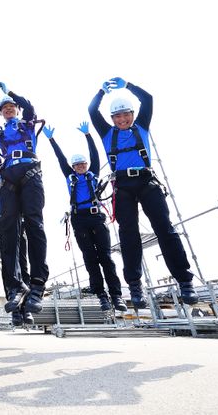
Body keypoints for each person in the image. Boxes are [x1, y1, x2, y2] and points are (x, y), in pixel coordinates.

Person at [88, 77, 198, 307]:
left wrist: (127, 85)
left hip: (147, 182)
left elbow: (147, 99)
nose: (122, 119)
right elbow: (92, 110)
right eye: (117, 116)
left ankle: (185, 281)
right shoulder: (107, 133)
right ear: (112, 119)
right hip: (123, 186)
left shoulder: (141, 126)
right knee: (129, 235)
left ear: (133, 114)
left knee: (165, 229)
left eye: (126, 114)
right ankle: (135, 286)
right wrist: (101, 92)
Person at [42, 121, 128, 312]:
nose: (81, 166)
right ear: (73, 167)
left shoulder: (93, 174)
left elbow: (95, 154)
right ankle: (101, 295)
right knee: (90, 257)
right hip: (79, 219)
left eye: (83, 164)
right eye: (77, 165)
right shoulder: (70, 176)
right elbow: (60, 158)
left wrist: (88, 135)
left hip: (96, 217)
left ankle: (116, 295)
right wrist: (51, 139)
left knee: (106, 257)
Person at [0, 83, 49, 315]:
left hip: (30, 173)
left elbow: (29, 107)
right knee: (8, 231)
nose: (8, 109)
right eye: (4, 108)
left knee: (34, 224)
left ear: (17, 109)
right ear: (1, 113)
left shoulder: (27, 124)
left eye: (11, 106)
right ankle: (14, 286)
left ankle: (37, 284)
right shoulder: (0, 134)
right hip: (9, 178)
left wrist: (9, 93)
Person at [0, 161, 33, 327]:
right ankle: (14, 308)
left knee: (23, 266)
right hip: (5, 226)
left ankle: (26, 307)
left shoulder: (17, 184)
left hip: (21, 225)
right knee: (8, 267)